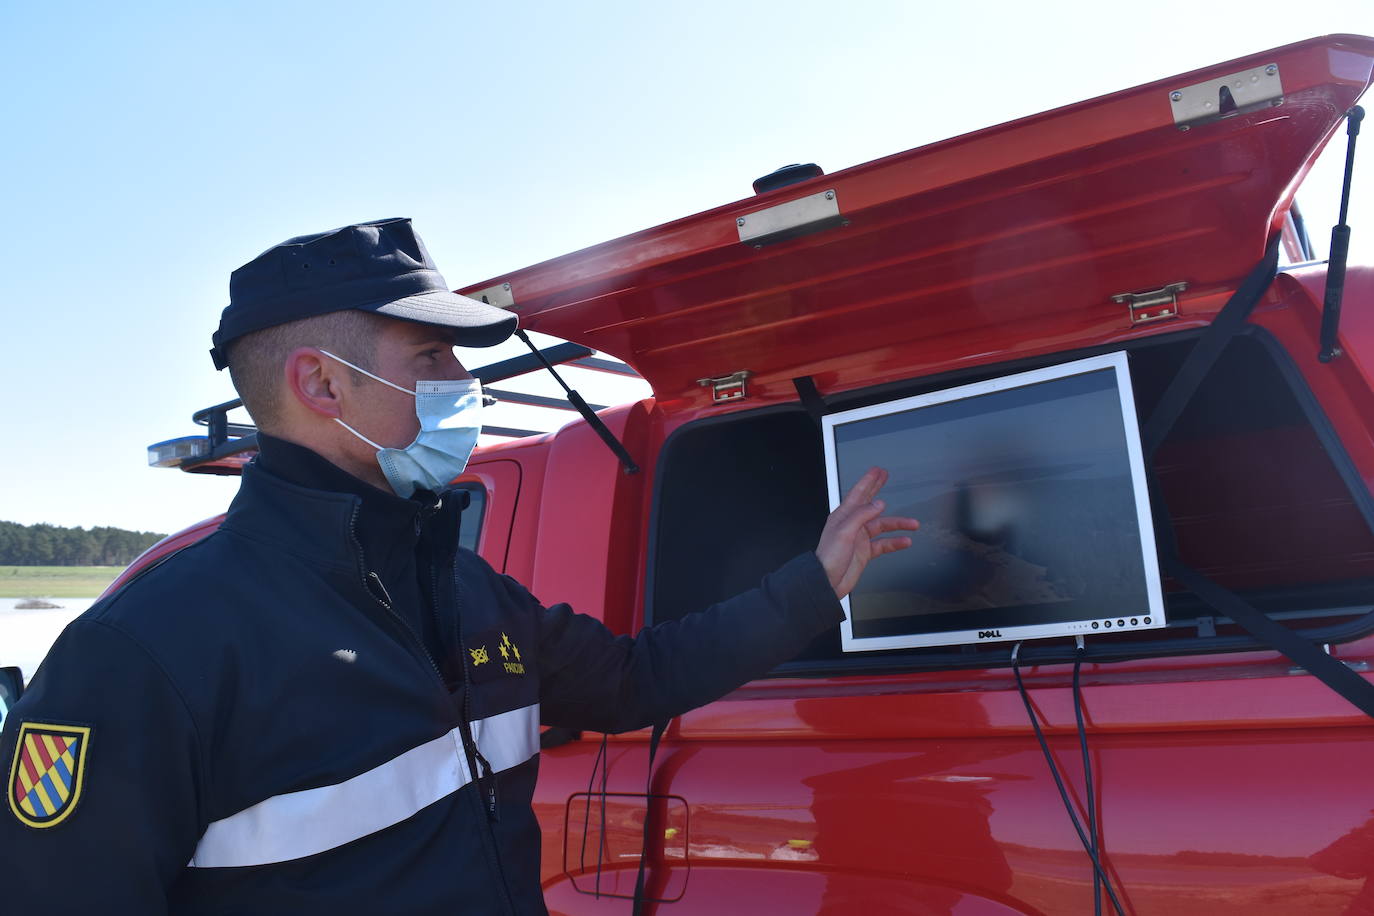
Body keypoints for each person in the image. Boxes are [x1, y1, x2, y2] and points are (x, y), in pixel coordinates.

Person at [0, 218, 918, 914]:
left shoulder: (466, 589)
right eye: (432, 356)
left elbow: (636, 678)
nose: (460, 387)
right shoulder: (145, 654)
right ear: (321, 385)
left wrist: (813, 582)